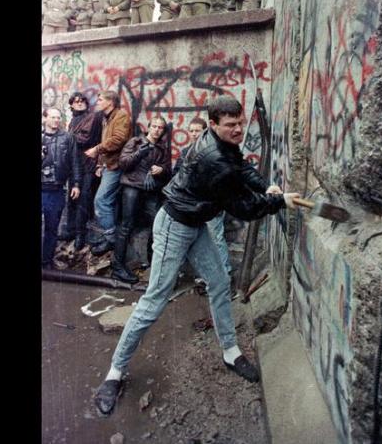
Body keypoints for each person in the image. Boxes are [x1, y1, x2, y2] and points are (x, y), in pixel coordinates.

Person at [93, 96, 300, 415]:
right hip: (174, 225)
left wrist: (267, 186)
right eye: (230, 125)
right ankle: (114, 373)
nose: (238, 129)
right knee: (153, 302)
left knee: (219, 283)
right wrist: (279, 201)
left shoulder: (223, 143)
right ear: (214, 124)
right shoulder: (211, 157)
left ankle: (230, 352)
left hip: (196, 221)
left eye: (240, 122)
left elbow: (241, 168)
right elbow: (244, 207)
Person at [112, 116, 172, 283]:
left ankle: (154, 268)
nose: (157, 130)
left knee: (157, 226)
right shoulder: (136, 142)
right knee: (126, 226)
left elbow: (169, 170)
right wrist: (140, 153)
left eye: (160, 128)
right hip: (132, 187)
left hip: (151, 191)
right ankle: (117, 267)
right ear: (149, 127)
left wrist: (161, 169)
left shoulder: (162, 148)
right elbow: (123, 163)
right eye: (154, 126)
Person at [173, 117, 231, 277]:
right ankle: (204, 277)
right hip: (191, 205)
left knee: (215, 240)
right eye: (191, 131)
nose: (193, 134)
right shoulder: (186, 152)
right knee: (194, 240)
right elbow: (176, 175)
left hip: (211, 204)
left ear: (205, 131)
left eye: (196, 130)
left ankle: (225, 276)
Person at [84, 91, 132, 259]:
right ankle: (111, 240)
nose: (97, 102)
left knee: (101, 200)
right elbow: (109, 141)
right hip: (108, 165)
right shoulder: (108, 117)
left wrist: (96, 149)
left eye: (101, 99)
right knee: (109, 203)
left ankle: (111, 239)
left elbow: (118, 139)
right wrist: (100, 164)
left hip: (116, 166)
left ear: (111, 102)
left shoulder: (121, 116)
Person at [41, 108, 83, 269]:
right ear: (45, 118)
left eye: (58, 118)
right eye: (52, 117)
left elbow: (75, 162)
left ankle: (46, 263)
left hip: (56, 189)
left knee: (52, 228)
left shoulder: (67, 137)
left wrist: (77, 184)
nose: (56, 120)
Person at [62, 93, 104, 250]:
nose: (79, 103)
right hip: (73, 164)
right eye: (76, 101)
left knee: (83, 199)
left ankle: (80, 234)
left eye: (82, 101)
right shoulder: (73, 120)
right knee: (71, 198)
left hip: (87, 164)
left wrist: (67, 137)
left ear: (87, 104)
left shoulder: (91, 117)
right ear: (71, 105)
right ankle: (70, 230)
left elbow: (85, 139)